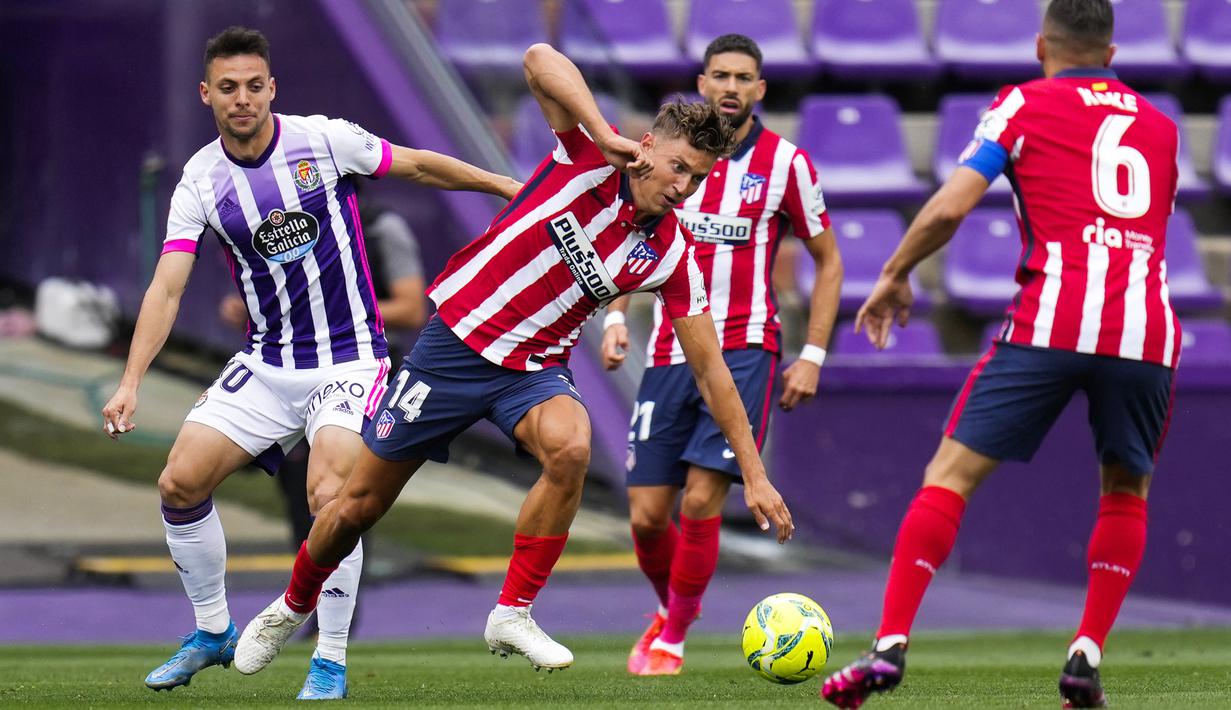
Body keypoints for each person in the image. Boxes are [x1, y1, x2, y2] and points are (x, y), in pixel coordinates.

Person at [231, 42, 795, 680]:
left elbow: (711, 369)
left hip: (531, 370)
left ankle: (513, 611)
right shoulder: (585, 157)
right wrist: (602, 132)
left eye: (696, 178)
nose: (683, 187)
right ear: (648, 146)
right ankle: (290, 605)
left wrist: (754, 475)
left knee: (571, 446)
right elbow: (538, 58)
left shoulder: (669, 255)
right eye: (677, 168)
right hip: (453, 347)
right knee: (358, 504)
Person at [99, 26, 519, 700]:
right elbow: (168, 285)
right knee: (179, 482)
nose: (243, 99)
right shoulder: (201, 181)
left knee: (331, 496)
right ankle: (211, 632)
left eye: (254, 86)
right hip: (267, 363)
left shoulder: (323, 140)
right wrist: (129, 383)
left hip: (349, 359)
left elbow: (413, 163)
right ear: (207, 95)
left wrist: (500, 183)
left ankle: (329, 658)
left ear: (272, 88)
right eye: (228, 88)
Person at [819, 1, 1181, 707]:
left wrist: (893, 274)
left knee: (949, 476)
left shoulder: (1021, 102)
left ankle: (889, 644)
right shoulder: (1163, 127)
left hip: (1052, 318)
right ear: (1109, 54)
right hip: (1144, 329)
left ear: (1041, 44)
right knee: (1124, 489)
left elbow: (951, 206)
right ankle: (1084, 653)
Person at [599, 34, 842, 677]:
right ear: (702, 84)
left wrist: (813, 353)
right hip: (668, 350)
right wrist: (617, 315)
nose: (732, 86)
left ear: (761, 90)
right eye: (721, 75)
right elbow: (633, 236)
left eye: (745, 77)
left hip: (744, 349)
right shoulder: (668, 161)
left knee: (702, 499)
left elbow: (829, 259)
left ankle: (673, 640)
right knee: (649, 517)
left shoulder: (788, 163)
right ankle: (675, 610)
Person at [220, 179, 429, 549]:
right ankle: (304, 602)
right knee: (301, 502)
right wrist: (253, 309)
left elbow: (412, 308)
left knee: (339, 502)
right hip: (292, 372)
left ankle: (340, 608)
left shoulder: (382, 227)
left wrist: (323, 316)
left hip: (360, 372)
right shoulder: (294, 229)